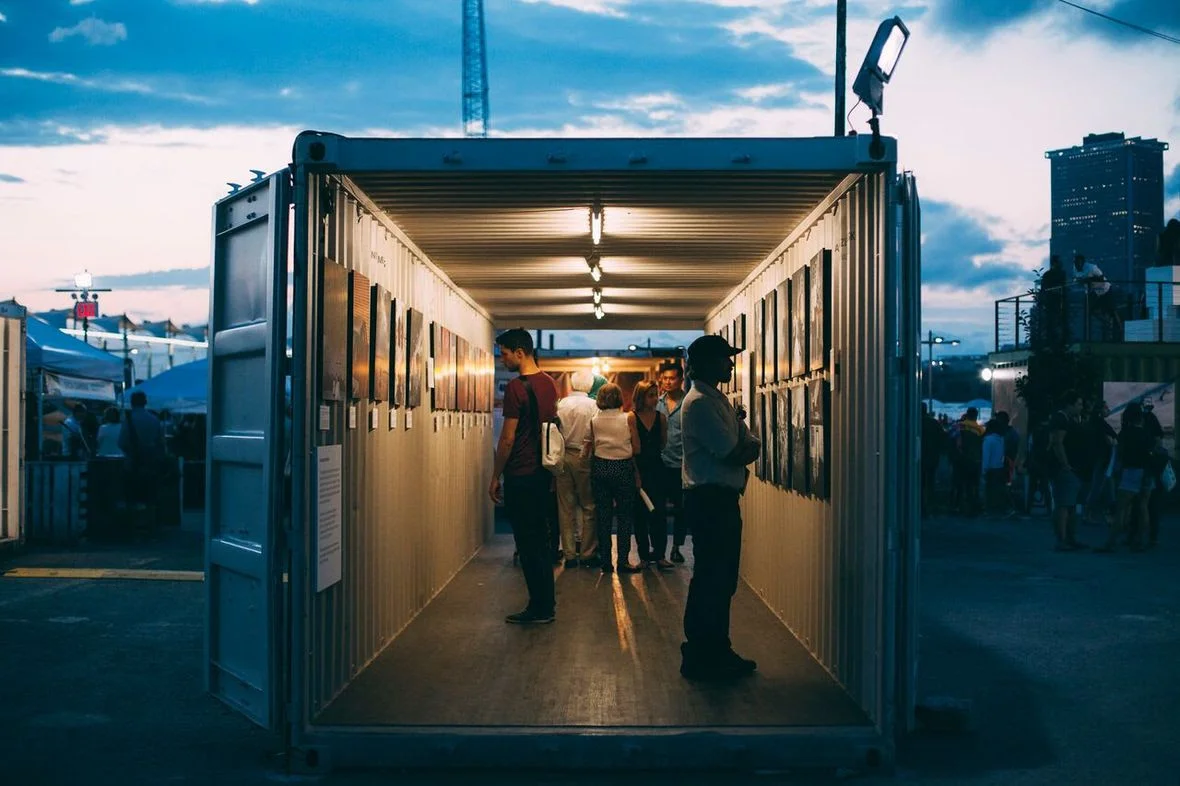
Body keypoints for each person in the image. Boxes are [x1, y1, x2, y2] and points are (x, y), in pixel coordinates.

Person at [679, 334, 760, 682]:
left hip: (718, 499)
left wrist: (746, 442)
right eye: (724, 358)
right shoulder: (700, 403)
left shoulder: (715, 400)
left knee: (720, 578)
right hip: (710, 501)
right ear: (707, 363)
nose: (730, 364)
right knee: (713, 578)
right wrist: (747, 444)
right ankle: (704, 653)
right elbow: (735, 451)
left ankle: (714, 650)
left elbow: (746, 443)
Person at [489, 328, 559, 625]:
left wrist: (496, 475)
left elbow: (507, 438)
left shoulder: (517, 388)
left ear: (520, 352)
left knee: (527, 543)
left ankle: (539, 608)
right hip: (542, 472)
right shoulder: (550, 383)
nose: (502, 359)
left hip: (521, 471)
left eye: (504, 354)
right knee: (541, 541)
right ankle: (546, 603)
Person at [584, 383, 642, 574]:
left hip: (600, 467)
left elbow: (591, 446)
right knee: (625, 516)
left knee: (603, 516)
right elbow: (636, 448)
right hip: (623, 468)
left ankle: (606, 561)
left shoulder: (594, 420)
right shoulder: (628, 418)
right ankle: (623, 561)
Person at [554, 370, 599, 568]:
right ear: (589, 386)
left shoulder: (561, 404)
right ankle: (587, 552)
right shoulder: (593, 406)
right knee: (589, 505)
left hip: (563, 456)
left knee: (565, 507)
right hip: (585, 456)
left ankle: (569, 554)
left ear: (572, 384)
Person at [1100, 402, 1154, 553]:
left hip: (1131, 472)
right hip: (1147, 473)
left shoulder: (1125, 433)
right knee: (1143, 508)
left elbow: (1119, 455)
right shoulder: (1146, 433)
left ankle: (1111, 542)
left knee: (1121, 510)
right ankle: (1140, 541)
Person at [633, 379, 672, 569]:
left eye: (656, 395)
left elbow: (663, 443)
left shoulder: (661, 418)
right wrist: (636, 474)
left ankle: (660, 554)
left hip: (657, 468)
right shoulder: (632, 417)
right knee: (640, 514)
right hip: (639, 468)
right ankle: (644, 556)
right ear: (641, 397)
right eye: (651, 395)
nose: (655, 399)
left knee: (659, 512)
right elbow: (633, 449)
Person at [656, 362, 689, 563]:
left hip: (681, 463)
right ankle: (659, 550)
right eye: (665, 378)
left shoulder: (688, 403)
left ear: (681, 380)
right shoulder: (657, 402)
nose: (668, 382)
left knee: (680, 510)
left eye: (672, 378)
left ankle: (676, 547)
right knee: (658, 510)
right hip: (660, 463)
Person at [1048, 391, 1088, 551]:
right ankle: (1062, 539)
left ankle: (1069, 538)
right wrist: (1065, 464)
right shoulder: (1061, 419)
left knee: (1070, 505)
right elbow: (1057, 442)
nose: (1081, 407)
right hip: (1064, 469)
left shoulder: (1068, 419)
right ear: (1069, 405)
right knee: (1064, 505)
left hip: (1073, 468)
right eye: (1078, 404)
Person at [118, 391, 166, 523]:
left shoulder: (128, 420)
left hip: (132, 463)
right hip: (151, 463)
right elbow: (161, 442)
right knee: (150, 497)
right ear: (145, 402)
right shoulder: (154, 419)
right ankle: (150, 525)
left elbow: (121, 442)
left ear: (132, 403)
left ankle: (133, 525)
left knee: (131, 497)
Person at [1083, 401, 1117, 526]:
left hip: (1101, 459)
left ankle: (1101, 513)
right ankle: (1089, 513)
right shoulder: (1100, 424)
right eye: (1105, 408)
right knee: (1098, 487)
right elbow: (1112, 437)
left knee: (1106, 487)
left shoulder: (1094, 423)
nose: (1108, 410)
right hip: (1103, 460)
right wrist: (1112, 441)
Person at [1073, 253, 1121, 338]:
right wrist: (1080, 281)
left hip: (1105, 289)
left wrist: (1088, 280)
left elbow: (1101, 278)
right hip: (1094, 292)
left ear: (1082, 262)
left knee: (1112, 310)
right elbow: (1078, 279)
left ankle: (1120, 329)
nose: (1076, 265)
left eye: (1078, 263)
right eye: (1075, 263)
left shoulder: (1092, 268)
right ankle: (1106, 322)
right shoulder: (1074, 269)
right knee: (1090, 309)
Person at [952, 408, 984, 515]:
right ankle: (972, 507)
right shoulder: (980, 430)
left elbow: (953, 440)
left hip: (961, 460)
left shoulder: (959, 426)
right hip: (975, 461)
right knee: (972, 485)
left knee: (960, 485)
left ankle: (957, 506)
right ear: (976, 416)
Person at [920, 403, 947, 517]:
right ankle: (929, 505)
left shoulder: (915, 422)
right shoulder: (934, 423)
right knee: (930, 483)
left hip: (920, 457)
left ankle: (921, 505)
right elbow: (943, 438)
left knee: (919, 483)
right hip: (932, 457)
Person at [981, 418, 1008, 516]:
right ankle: (997, 509)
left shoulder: (988, 440)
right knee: (997, 491)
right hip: (999, 468)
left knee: (989, 491)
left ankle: (989, 510)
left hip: (991, 469)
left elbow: (986, 456)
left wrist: (984, 470)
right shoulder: (1001, 439)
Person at [1038, 255, 1067, 344]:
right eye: (1059, 262)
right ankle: (1053, 340)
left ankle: (1055, 340)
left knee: (1055, 321)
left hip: (1057, 301)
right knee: (1052, 321)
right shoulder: (1049, 275)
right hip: (1052, 301)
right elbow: (1044, 288)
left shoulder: (1059, 274)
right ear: (1055, 263)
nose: (1061, 264)